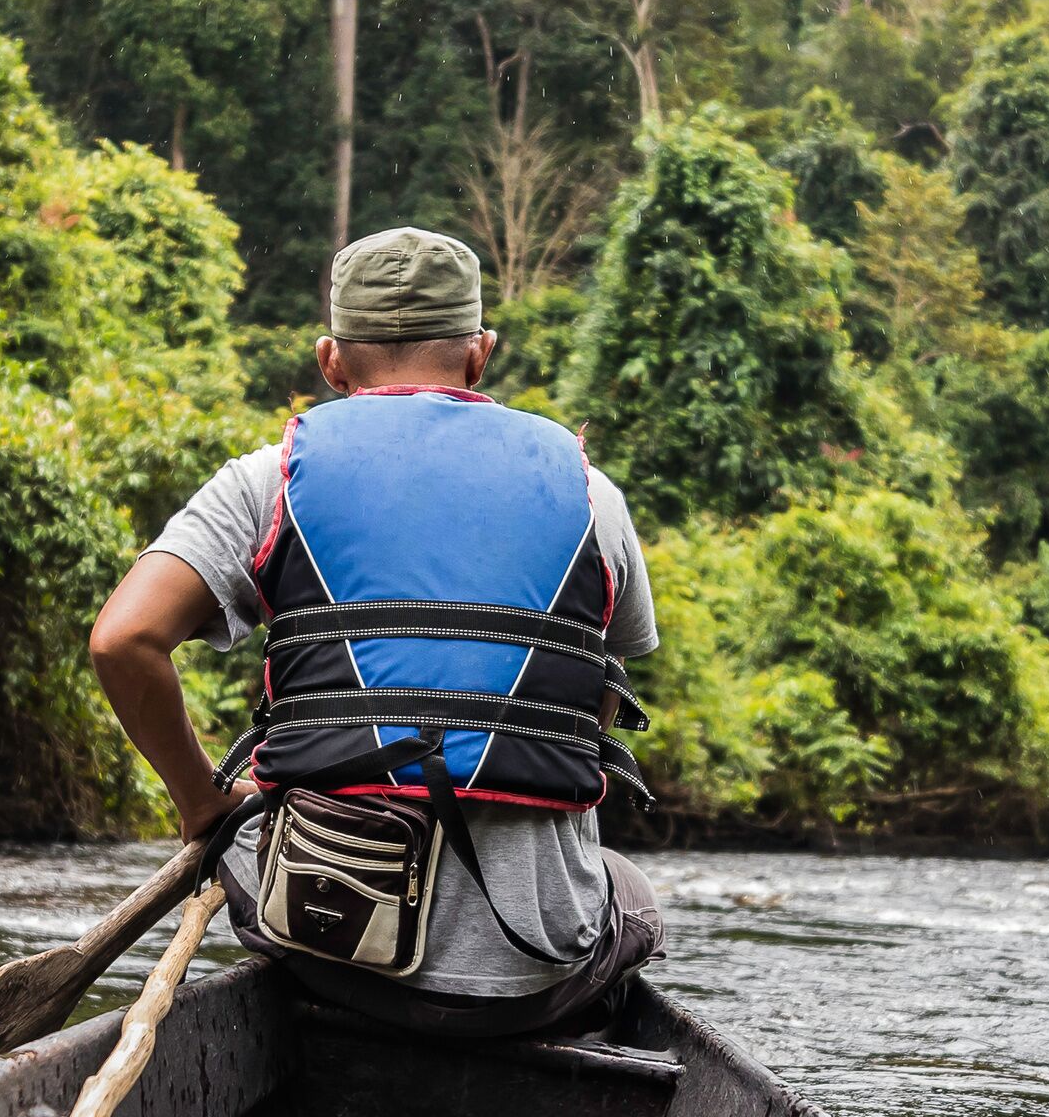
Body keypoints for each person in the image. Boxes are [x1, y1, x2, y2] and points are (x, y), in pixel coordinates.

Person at [88, 227, 664, 1037]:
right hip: (536, 972)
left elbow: (121, 640)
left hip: (327, 949)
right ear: (480, 354)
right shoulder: (590, 490)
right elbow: (597, 688)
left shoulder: (268, 478)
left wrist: (202, 801)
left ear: (331, 361)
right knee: (632, 894)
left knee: (256, 851)